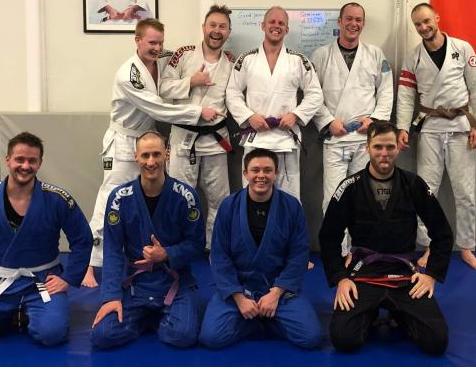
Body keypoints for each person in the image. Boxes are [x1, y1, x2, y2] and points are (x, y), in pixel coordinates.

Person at [83, 18, 218, 287]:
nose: (157, 48)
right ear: (137, 40)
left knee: (152, 197)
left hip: (148, 141)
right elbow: (157, 107)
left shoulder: (161, 61)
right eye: (151, 43)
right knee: (110, 199)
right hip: (124, 142)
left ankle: (152, 254)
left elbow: (170, 81)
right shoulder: (128, 74)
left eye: (160, 42)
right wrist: (196, 112)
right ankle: (89, 265)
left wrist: (191, 81)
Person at [0, 132, 92, 349]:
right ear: (8, 160)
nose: (25, 166)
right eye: (19, 159)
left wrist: (69, 278)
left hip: (43, 281)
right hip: (1, 282)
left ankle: (22, 313)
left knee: (52, 334)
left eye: (32, 160)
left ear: (40, 163)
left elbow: (83, 239)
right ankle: (12, 313)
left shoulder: (57, 199)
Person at [319, 121, 453, 355]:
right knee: (343, 339)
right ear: (367, 148)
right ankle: (372, 314)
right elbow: (329, 237)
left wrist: (431, 275)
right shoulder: (350, 187)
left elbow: (442, 233)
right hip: (364, 273)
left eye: (390, 147)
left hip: (404, 274)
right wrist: (340, 278)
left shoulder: (414, 184)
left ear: (398, 148)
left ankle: (398, 313)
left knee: (436, 341)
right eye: (378, 147)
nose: (384, 153)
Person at [198, 148, 322, 350]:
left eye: (267, 170)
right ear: (245, 173)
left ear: (276, 173)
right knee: (211, 337)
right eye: (255, 170)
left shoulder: (292, 207)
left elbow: (298, 256)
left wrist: (276, 294)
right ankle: (259, 318)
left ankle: (261, 316)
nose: (261, 175)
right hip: (239, 288)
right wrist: (239, 298)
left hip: (278, 289)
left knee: (311, 337)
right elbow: (219, 256)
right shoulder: (228, 206)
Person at [396, 3, 476, 271]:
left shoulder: (463, 48)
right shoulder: (413, 57)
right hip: (430, 128)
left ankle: (467, 247)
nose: (423, 27)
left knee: (465, 191)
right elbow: (406, 95)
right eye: (418, 24)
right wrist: (402, 128)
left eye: (426, 21)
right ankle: (429, 246)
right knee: (426, 190)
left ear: (436, 18)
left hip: (461, 126)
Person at [91, 131, 205, 348]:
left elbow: (197, 246)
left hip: (173, 282)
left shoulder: (186, 196)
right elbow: (113, 250)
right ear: (136, 156)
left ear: (167, 154)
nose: (151, 162)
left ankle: (150, 317)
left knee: (183, 336)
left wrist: (167, 254)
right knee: (103, 335)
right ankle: (150, 317)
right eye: (145, 155)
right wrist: (111, 297)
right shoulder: (119, 198)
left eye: (156, 154)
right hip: (136, 284)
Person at [226, 6, 323, 200]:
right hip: (256, 138)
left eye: (281, 23)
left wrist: (295, 115)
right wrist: (249, 117)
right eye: (272, 22)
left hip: (285, 140)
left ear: (287, 29)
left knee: (288, 198)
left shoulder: (298, 60)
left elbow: (315, 94)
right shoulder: (247, 59)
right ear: (263, 25)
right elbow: (232, 92)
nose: (276, 26)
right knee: (253, 197)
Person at [161, 4, 235, 248]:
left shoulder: (231, 63)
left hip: (216, 139)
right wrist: (191, 82)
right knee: (178, 196)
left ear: (229, 32)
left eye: (222, 27)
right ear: (203, 27)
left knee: (219, 199)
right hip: (184, 138)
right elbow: (163, 88)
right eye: (212, 25)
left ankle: (215, 247)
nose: (217, 31)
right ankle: (178, 248)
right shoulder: (184, 54)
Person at [311, 2, 393, 215]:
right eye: (348, 19)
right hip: (335, 138)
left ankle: (361, 239)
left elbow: (386, 91)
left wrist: (374, 121)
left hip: (365, 139)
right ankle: (336, 239)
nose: (353, 24)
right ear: (339, 21)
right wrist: (328, 122)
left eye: (358, 20)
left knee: (365, 196)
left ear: (363, 24)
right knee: (333, 198)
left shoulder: (375, 54)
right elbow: (312, 95)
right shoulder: (321, 55)